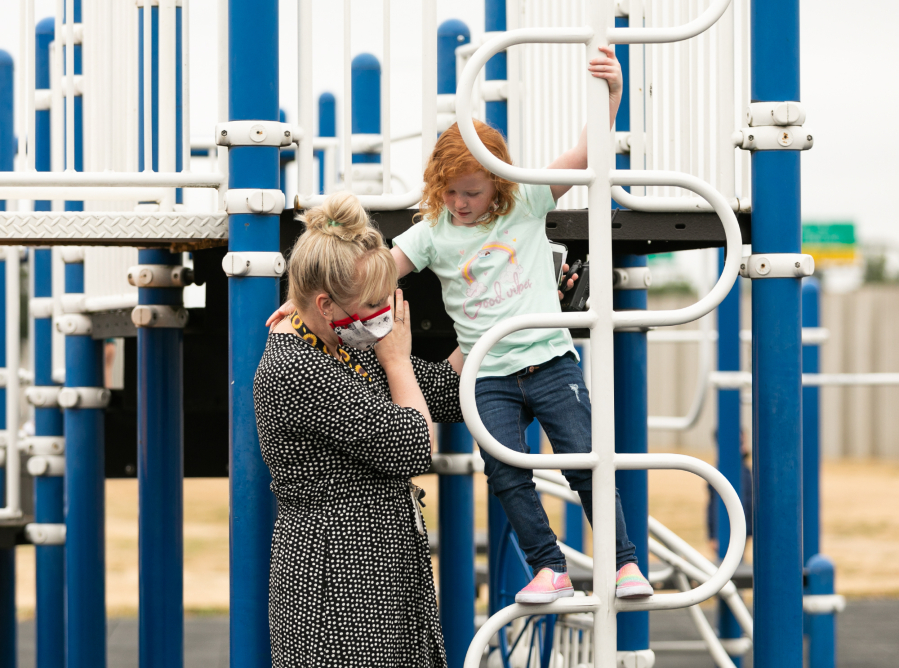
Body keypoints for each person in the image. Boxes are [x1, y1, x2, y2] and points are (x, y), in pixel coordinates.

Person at [389, 45, 652, 603]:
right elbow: (378, 272)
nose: (459, 203)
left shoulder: (526, 201)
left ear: (499, 183)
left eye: (472, 192)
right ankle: (549, 568)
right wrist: (306, 301)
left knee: (586, 460)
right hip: (488, 374)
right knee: (506, 473)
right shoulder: (434, 229)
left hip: (551, 360)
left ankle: (623, 564)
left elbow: (585, 154)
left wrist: (612, 94)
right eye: (449, 191)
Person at [254, 191, 464, 668]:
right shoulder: (296, 369)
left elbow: (445, 392)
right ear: (326, 305)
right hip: (336, 584)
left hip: (375, 572)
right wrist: (396, 359)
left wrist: (504, 310)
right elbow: (416, 445)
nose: (385, 316)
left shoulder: (342, 341)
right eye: (373, 303)